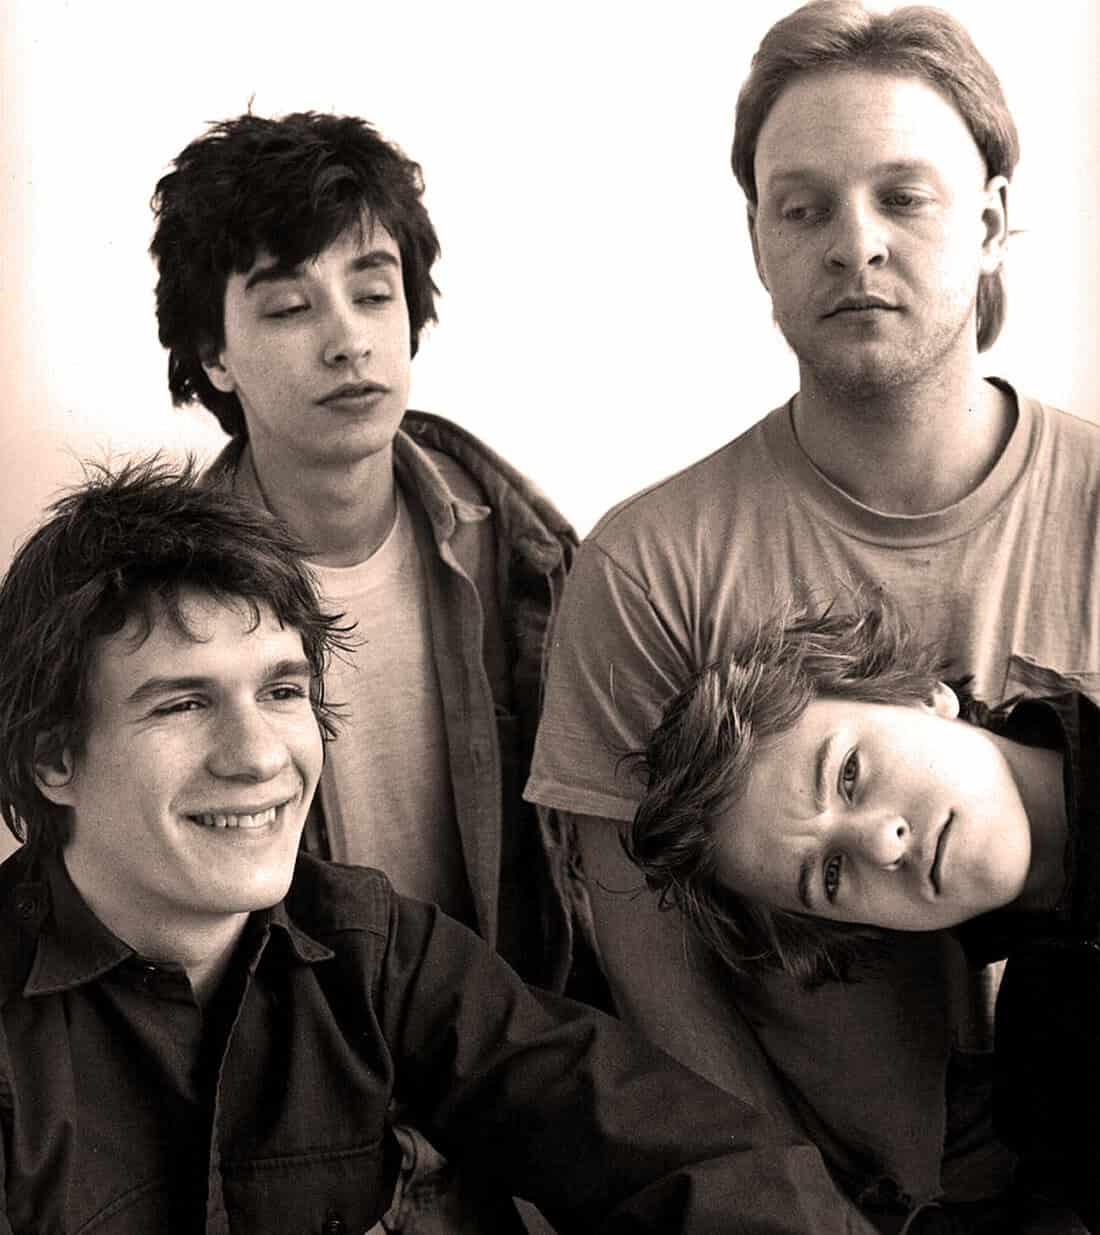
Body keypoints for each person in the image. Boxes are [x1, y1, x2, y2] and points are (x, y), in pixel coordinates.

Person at [525, 1, 1100, 1229]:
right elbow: (652, 958)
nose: (854, 244)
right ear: (754, 241)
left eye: (904, 196)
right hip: (845, 1182)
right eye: (803, 207)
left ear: (991, 219)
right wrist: (791, 1203)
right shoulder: (644, 568)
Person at [0, 459, 887, 1235]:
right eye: (182, 704)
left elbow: (667, 1145)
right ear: (52, 756)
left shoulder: (369, 946)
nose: (260, 755)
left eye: (281, 690)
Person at [149, 111, 587, 1233]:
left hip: (533, 1125)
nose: (346, 339)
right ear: (212, 355)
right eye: (289, 306)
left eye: (373, 289)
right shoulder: (150, 620)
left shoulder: (534, 561)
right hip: (308, 1163)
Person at [627, 600, 1098, 1231]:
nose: (883, 844)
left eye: (849, 775)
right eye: (830, 875)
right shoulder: (1049, 1081)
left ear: (925, 697)